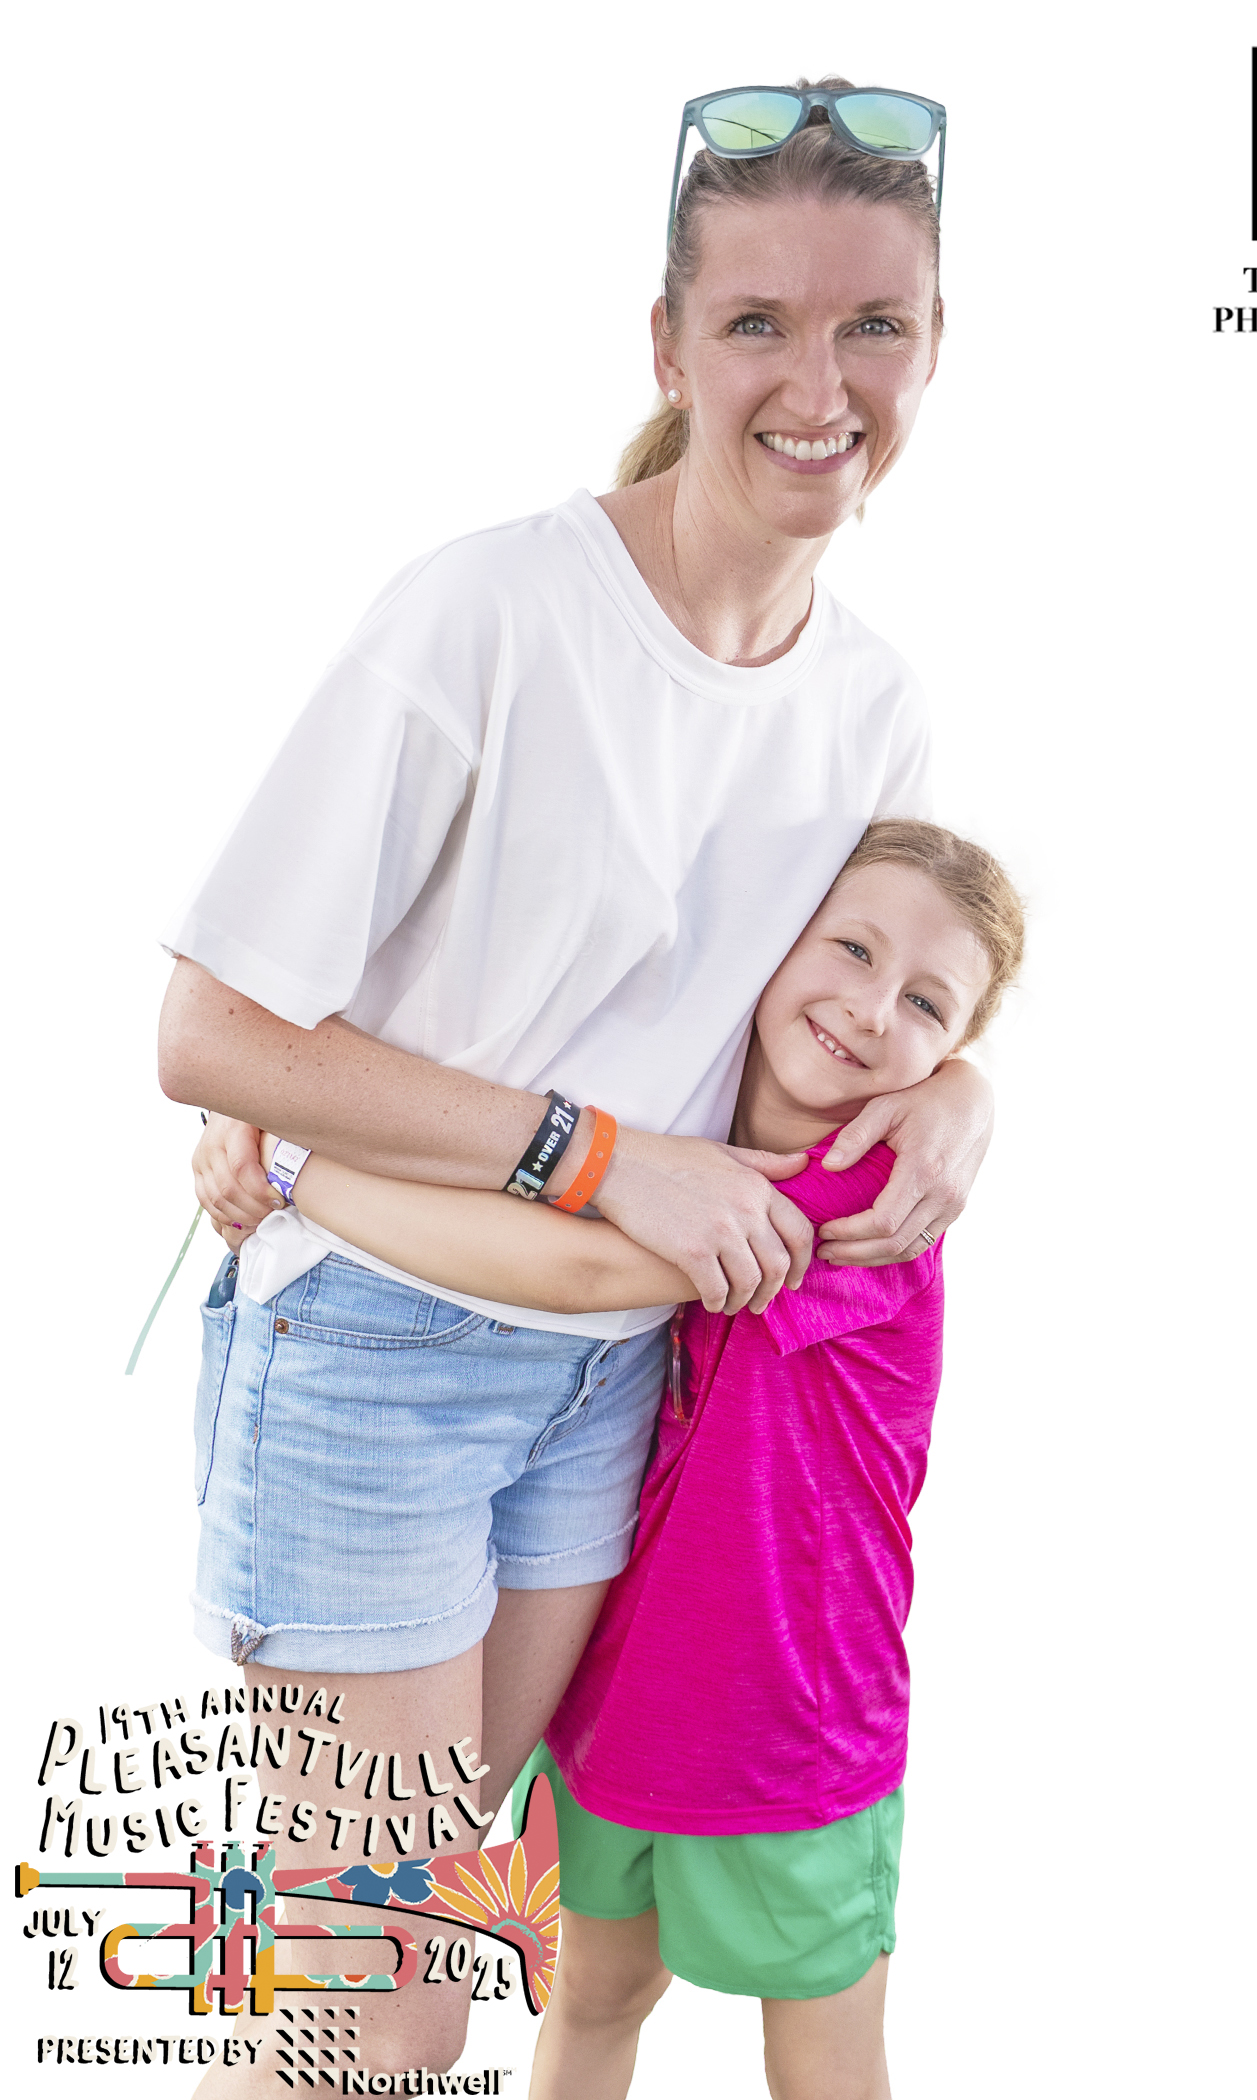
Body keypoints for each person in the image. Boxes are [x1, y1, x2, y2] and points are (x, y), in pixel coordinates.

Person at [158, 79, 987, 2086]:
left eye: (873, 326)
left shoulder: (873, 707)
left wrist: (971, 1092)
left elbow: (854, 1010)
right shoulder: (491, 613)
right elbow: (211, 1034)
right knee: (383, 2002)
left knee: (441, 1931)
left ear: (933, 348)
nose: (820, 386)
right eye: (759, 323)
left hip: (619, 1396)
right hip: (374, 1348)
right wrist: (597, 1154)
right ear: (668, 347)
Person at [274, 821, 1025, 2100]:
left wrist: (298, 1161)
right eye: (851, 948)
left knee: (827, 2069)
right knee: (594, 1997)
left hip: (792, 1726)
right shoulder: (674, 1128)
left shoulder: (866, 1194)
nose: (869, 1006)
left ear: (945, 1055)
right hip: (615, 1701)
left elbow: (573, 1266)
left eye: (925, 1005)